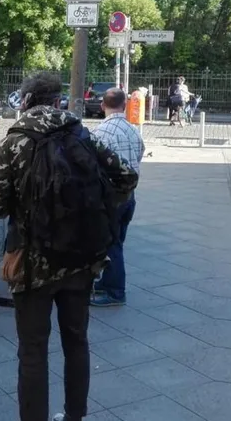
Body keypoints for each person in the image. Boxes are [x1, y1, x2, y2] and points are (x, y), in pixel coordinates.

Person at [0, 72, 138, 421]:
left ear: (26, 101)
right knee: (76, 340)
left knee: (33, 350)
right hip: (81, 260)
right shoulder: (82, 134)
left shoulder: (16, 141)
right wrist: (96, 207)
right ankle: (74, 416)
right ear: (58, 101)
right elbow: (127, 176)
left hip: (32, 264)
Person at [91, 88, 145, 307]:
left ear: (102, 105)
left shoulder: (100, 132)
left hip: (109, 196)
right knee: (117, 241)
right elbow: (141, 151)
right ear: (124, 106)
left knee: (110, 243)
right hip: (129, 195)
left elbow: (93, 164)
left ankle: (115, 291)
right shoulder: (133, 130)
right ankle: (107, 282)